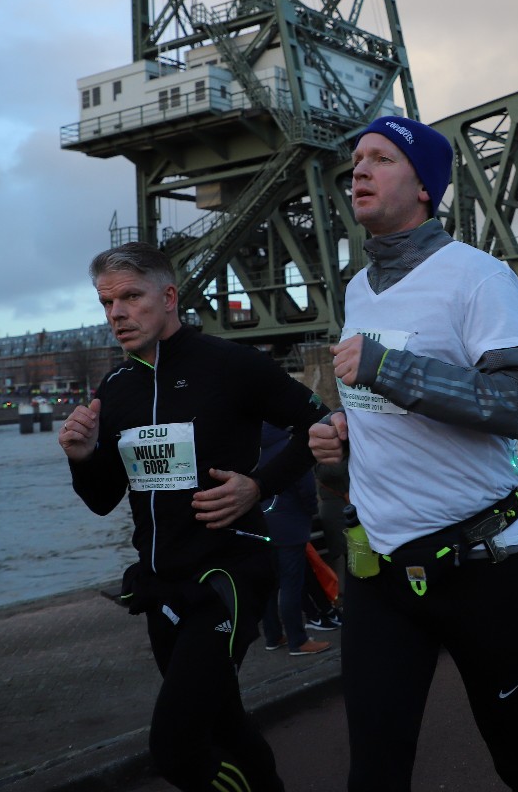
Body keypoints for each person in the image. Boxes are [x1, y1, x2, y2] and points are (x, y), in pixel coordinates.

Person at [306, 116, 518, 791]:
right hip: (379, 573)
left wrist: (388, 368)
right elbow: (382, 407)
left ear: (424, 185)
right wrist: (340, 434)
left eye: (381, 158)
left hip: (480, 570)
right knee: (374, 773)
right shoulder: (358, 288)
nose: (359, 170)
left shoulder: (478, 277)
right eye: (356, 160)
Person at [59, 242, 329, 792]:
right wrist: (82, 457)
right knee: (224, 723)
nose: (117, 314)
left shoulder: (231, 365)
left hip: (228, 576)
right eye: (107, 302)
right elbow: (103, 498)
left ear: (168, 297)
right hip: (161, 586)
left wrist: (259, 485)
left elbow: (320, 425)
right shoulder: (115, 388)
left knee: (178, 750)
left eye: (130, 297)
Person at [257, 425, 333, 657]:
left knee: (269, 586)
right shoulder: (288, 446)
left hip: (262, 524)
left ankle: (273, 636)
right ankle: (298, 641)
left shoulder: (250, 449)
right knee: (292, 584)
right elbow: (305, 486)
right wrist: (310, 510)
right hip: (290, 524)